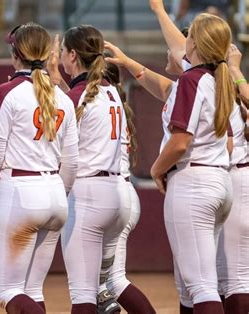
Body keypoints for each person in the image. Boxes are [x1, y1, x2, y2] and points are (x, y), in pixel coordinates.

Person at [106, 12, 234, 313]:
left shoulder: (193, 80)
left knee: (200, 285)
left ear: (196, 45)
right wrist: (130, 62)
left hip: (194, 184)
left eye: (188, 37)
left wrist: (156, 169)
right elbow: (166, 89)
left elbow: (180, 142)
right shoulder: (216, 79)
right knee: (191, 287)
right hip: (217, 181)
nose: (182, 41)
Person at [0, 22, 79, 313]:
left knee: (5, 289)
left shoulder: (7, 92)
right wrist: (58, 193)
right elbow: (72, 161)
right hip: (55, 193)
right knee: (31, 289)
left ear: (15, 53)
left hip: (22, 193)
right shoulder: (62, 96)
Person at [48, 25, 131, 313]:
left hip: (87, 195)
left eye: (62, 52)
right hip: (117, 196)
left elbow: (54, 144)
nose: (59, 57)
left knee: (83, 294)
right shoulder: (110, 90)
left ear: (72, 55)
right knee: (105, 291)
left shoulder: (77, 96)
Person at [103, 61, 157, 314]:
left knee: (110, 282)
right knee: (100, 283)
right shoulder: (116, 104)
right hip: (122, 193)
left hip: (110, 195)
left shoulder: (96, 102)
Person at [215, 44, 249, 314]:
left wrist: (236, 69)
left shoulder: (230, 89)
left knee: (236, 274)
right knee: (226, 275)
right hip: (231, 176)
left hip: (238, 175)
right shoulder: (223, 88)